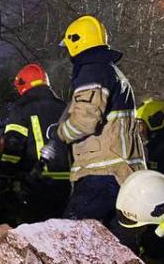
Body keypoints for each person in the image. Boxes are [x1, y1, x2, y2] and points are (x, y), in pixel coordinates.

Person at [51, 15, 145, 223]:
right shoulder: (110, 71)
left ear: (77, 43)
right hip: (123, 175)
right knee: (112, 246)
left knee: (71, 236)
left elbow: (84, 121)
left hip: (102, 173)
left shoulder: (92, 70)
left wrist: (59, 136)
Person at [0, 63, 71, 222]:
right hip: (66, 184)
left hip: (36, 182)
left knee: (35, 233)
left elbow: (13, 144)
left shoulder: (21, 108)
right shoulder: (65, 107)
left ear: (23, 85)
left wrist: (5, 176)